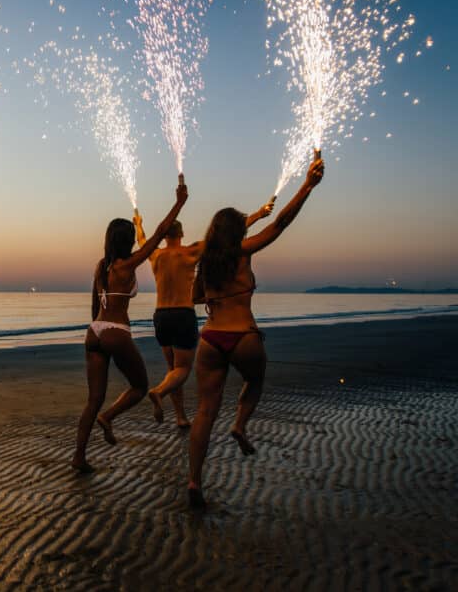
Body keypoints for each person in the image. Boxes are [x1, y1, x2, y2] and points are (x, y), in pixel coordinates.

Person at [187, 151, 324, 508]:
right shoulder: (243, 251)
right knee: (255, 381)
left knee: (204, 411)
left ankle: (193, 482)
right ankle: (240, 425)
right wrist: (307, 185)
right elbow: (280, 224)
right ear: (237, 232)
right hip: (244, 335)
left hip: (211, 339)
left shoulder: (206, 261)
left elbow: (195, 296)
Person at [71, 178, 189, 474]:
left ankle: (78, 457)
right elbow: (161, 232)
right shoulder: (128, 265)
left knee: (92, 400)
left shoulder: (103, 266)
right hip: (116, 332)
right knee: (139, 387)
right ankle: (109, 417)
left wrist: (96, 329)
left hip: (94, 331)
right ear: (127, 242)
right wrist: (179, 202)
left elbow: (95, 306)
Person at [133, 201, 274, 428]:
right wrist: (258, 215)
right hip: (182, 315)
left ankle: (180, 416)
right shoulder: (191, 251)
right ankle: (159, 392)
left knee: (173, 370)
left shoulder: (155, 255)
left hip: (160, 316)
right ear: (181, 234)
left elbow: (142, 240)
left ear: (165, 235)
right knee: (182, 369)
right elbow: (224, 238)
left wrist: (139, 224)